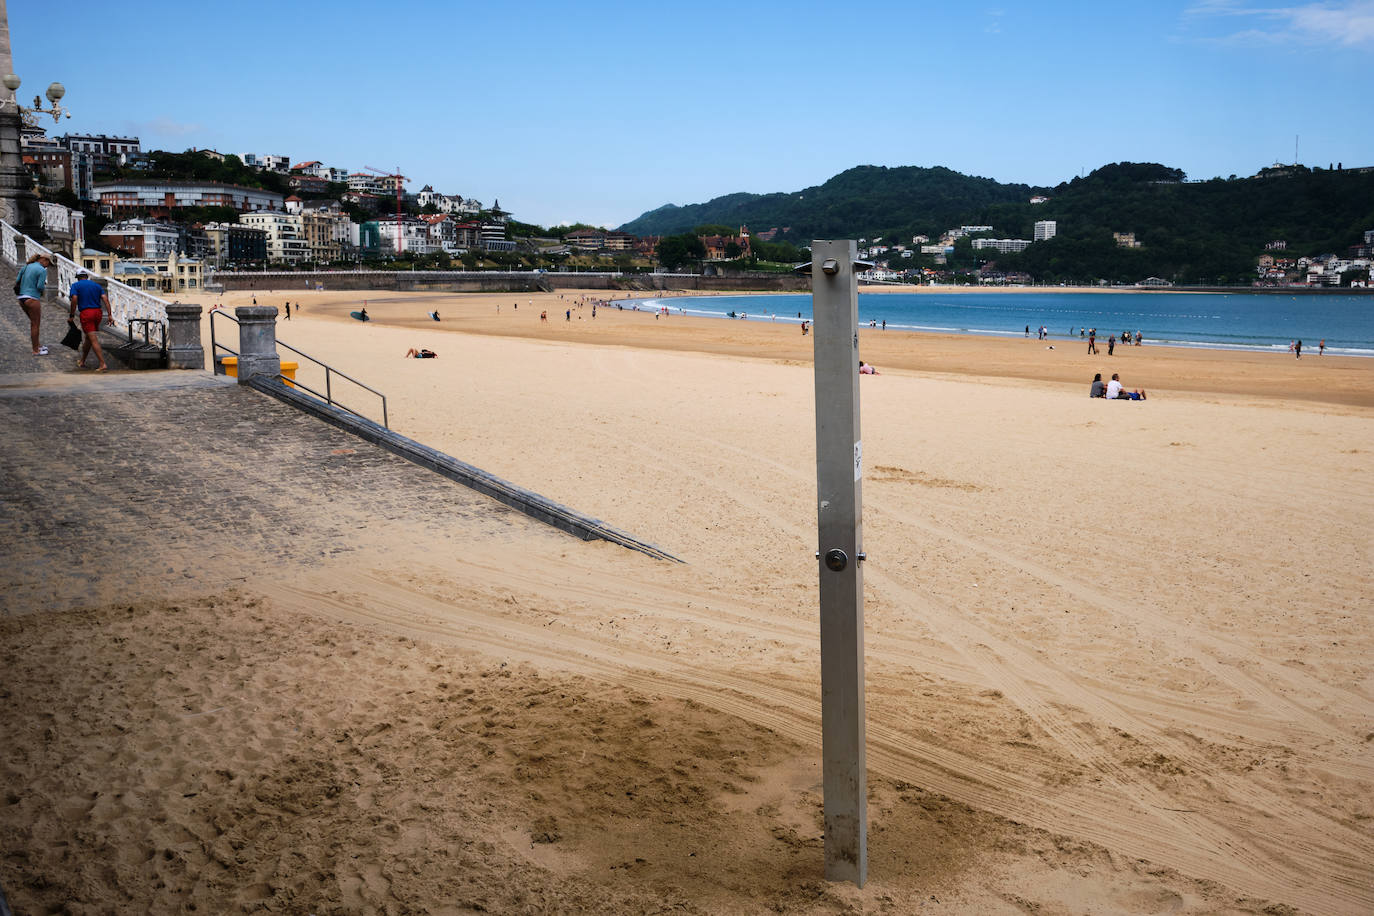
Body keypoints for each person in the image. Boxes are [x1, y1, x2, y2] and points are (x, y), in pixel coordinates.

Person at [68, 270, 111, 371]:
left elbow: (74, 298)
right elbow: (105, 299)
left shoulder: (76, 285)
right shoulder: (96, 286)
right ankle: (82, 361)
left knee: (93, 338)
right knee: (88, 338)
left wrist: (72, 314)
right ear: (86, 276)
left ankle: (102, 363)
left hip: (87, 313)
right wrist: (109, 315)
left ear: (78, 277)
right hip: (98, 313)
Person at [16, 251, 51, 355]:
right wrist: (43, 285)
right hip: (32, 298)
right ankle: (35, 350)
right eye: (48, 263)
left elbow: (18, 280)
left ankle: (38, 346)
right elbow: (40, 287)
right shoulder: (41, 270)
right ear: (44, 260)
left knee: (33, 323)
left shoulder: (26, 267)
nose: (47, 266)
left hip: (21, 298)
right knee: (35, 325)